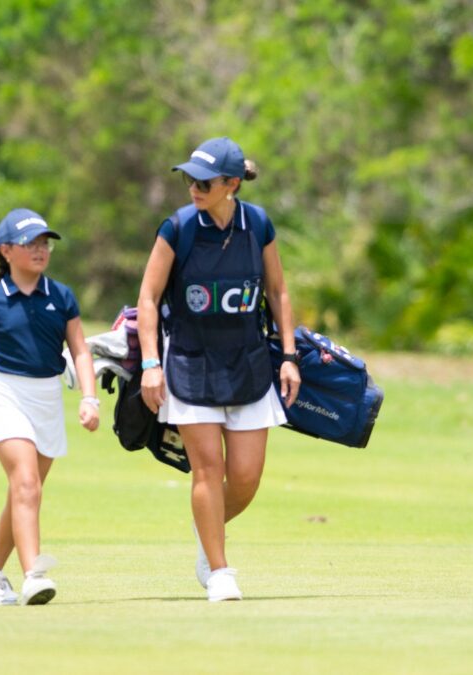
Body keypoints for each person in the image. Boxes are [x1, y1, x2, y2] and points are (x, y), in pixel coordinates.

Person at [136, 137, 301, 602]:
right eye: (189, 178)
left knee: (246, 478)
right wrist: (151, 364)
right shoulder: (178, 228)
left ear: (231, 185)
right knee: (207, 471)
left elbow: (278, 291)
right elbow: (147, 298)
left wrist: (289, 356)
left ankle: (206, 530)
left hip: (247, 363)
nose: (193, 187)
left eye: (204, 181)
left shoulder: (258, 225)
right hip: (190, 363)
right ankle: (220, 569)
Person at [0, 207, 100, 606]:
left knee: (24, 492)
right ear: (6, 250)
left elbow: (80, 351)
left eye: (44, 243)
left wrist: (89, 397)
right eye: (30, 243)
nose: (40, 250)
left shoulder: (61, 297)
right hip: (5, 395)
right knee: (26, 483)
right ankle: (33, 575)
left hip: (47, 398)